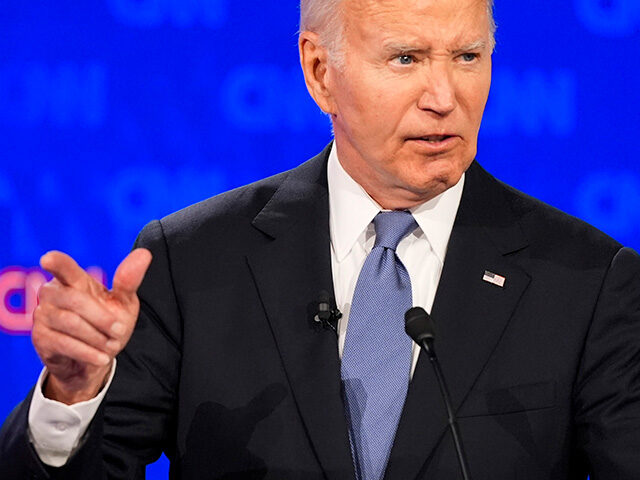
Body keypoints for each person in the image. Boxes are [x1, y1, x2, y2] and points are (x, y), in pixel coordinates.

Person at [2, 0, 640, 478]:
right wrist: (74, 394)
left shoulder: (589, 280)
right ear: (319, 72)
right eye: (406, 58)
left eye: (468, 57)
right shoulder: (192, 260)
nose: (445, 97)